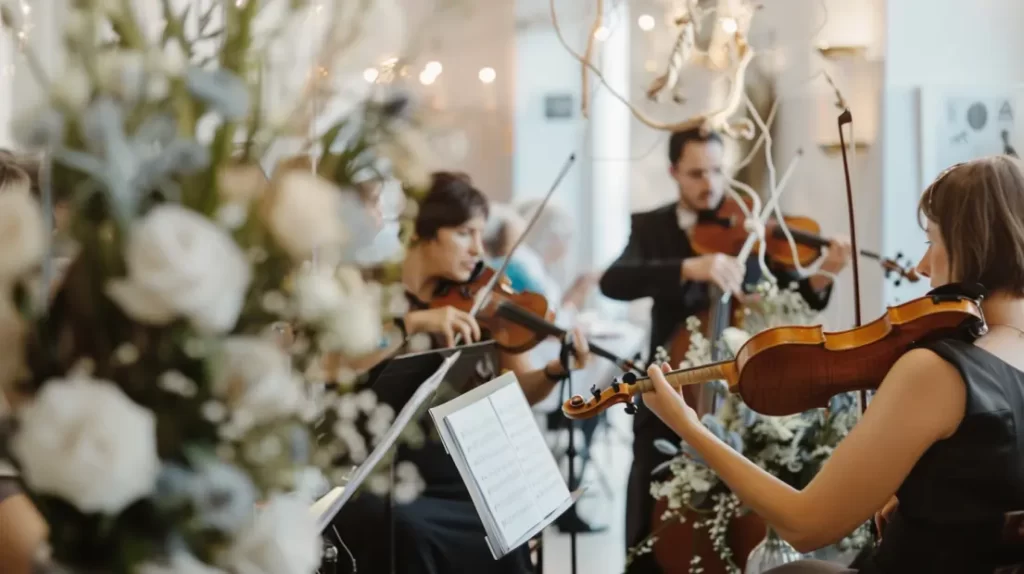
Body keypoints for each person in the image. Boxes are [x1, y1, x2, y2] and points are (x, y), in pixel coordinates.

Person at [643, 155, 1024, 573]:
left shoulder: (938, 371)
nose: (922, 266)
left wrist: (693, 430)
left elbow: (805, 526)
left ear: (972, 244)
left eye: (932, 241)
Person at [599, 127, 852, 573]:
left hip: (738, 391)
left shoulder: (749, 227)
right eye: (696, 173)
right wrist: (689, 266)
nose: (709, 184)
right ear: (674, 172)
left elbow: (799, 293)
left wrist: (825, 272)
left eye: (717, 171)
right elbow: (614, 281)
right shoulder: (652, 225)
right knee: (651, 475)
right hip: (669, 378)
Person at [332, 171, 594, 574]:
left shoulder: (481, 297)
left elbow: (519, 389)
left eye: (480, 234)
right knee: (411, 531)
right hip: (383, 471)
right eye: (464, 233)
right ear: (421, 232)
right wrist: (413, 323)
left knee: (510, 518)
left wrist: (556, 370)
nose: (478, 248)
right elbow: (340, 363)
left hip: (460, 470)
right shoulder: (368, 288)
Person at [516, 198, 601, 311]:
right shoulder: (525, 267)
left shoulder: (535, 265)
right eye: (567, 237)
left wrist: (576, 291)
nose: (568, 245)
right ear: (552, 235)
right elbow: (548, 318)